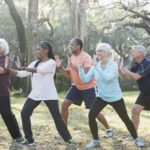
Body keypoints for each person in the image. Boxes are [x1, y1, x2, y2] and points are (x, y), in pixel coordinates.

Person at [6, 41, 74, 146]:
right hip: (35, 94)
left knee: (57, 118)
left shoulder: (51, 62)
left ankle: (68, 139)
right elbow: (21, 74)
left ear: (46, 50)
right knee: (24, 113)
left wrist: (23, 67)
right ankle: (30, 140)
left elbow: (40, 70)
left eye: (39, 49)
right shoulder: (34, 63)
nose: (37, 51)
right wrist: (8, 69)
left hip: (49, 94)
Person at [78, 43, 144, 148]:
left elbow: (107, 78)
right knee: (91, 115)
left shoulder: (112, 65)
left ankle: (136, 138)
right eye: (97, 50)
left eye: (101, 51)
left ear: (107, 53)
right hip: (102, 96)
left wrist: (96, 67)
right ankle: (95, 141)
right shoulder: (96, 65)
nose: (98, 52)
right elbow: (85, 80)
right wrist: (80, 68)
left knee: (125, 118)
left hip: (115, 97)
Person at [55, 38, 113, 138]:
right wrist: (60, 68)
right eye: (70, 44)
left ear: (78, 46)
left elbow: (86, 73)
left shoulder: (86, 57)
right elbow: (68, 75)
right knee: (64, 105)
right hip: (77, 87)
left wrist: (72, 66)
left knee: (94, 111)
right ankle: (63, 131)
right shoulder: (72, 57)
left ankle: (109, 129)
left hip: (89, 87)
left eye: (72, 44)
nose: (70, 46)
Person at [119, 45, 150, 136]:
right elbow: (127, 77)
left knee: (135, 110)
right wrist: (120, 70)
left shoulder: (148, 63)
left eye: (134, 51)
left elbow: (136, 76)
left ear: (140, 53)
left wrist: (124, 69)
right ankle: (134, 134)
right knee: (135, 110)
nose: (131, 52)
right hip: (144, 93)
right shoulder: (135, 64)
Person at [0, 39, 24, 143]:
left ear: (3, 48)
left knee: (7, 114)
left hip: (2, 92)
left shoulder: (6, 59)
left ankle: (17, 136)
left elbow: (2, 70)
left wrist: (3, 68)